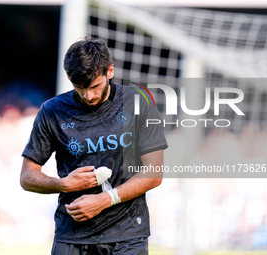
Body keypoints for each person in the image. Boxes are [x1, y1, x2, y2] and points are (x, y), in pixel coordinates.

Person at [20, 36, 168, 255]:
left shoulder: (137, 102)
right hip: (72, 235)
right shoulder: (52, 111)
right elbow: (27, 177)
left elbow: (154, 172)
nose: (88, 95)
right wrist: (63, 184)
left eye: (94, 86)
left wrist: (105, 200)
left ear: (110, 71)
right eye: (79, 87)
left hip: (127, 236)